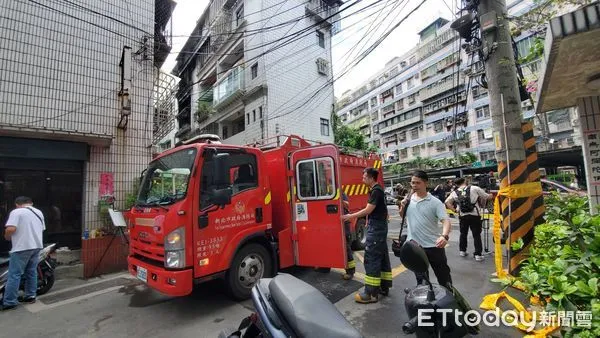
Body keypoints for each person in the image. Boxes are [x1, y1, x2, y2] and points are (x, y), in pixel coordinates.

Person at [342, 168, 391, 303]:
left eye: (364, 177)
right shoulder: (378, 190)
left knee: (371, 258)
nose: (362, 179)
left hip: (377, 229)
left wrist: (350, 216)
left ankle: (371, 293)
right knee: (382, 256)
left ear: (370, 178)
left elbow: (368, 210)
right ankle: (384, 286)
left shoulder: (376, 191)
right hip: (379, 227)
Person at [399, 170, 453, 288]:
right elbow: (403, 216)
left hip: (434, 246)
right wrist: (402, 206)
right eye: (412, 183)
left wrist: (444, 236)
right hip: (415, 247)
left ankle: (450, 297)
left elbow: (446, 221)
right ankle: (424, 303)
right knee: (421, 281)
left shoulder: (435, 202)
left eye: (418, 183)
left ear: (425, 183)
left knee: (443, 277)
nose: (414, 186)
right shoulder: (408, 200)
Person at [2, 196, 45, 311]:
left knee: (14, 274)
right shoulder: (39, 212)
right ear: (31, 203)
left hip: (22, 247)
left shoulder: (17, 212)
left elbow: (10, 229)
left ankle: (10, 301)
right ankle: (30, 296)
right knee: (31, 272)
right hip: (36, 246)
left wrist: (6, 237)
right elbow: (42, 229)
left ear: (17, 204)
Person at [445, 177, 492, 262]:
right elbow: (486, 197)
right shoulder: (474, 188)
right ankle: (478, 255)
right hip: (474, 215)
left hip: (462, 216)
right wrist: (492, 195)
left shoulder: (454, 192)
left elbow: (447, 202)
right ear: (465, 181)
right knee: (476, 235)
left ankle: (462, 251)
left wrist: (454, 210)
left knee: (463, 233)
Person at [341, 192, 355, 280]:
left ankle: (350, 271)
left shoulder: (341, 193)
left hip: (344, 223)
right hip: (335, 224)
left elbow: (347, 205)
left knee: (346, 247)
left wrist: (339, 200)